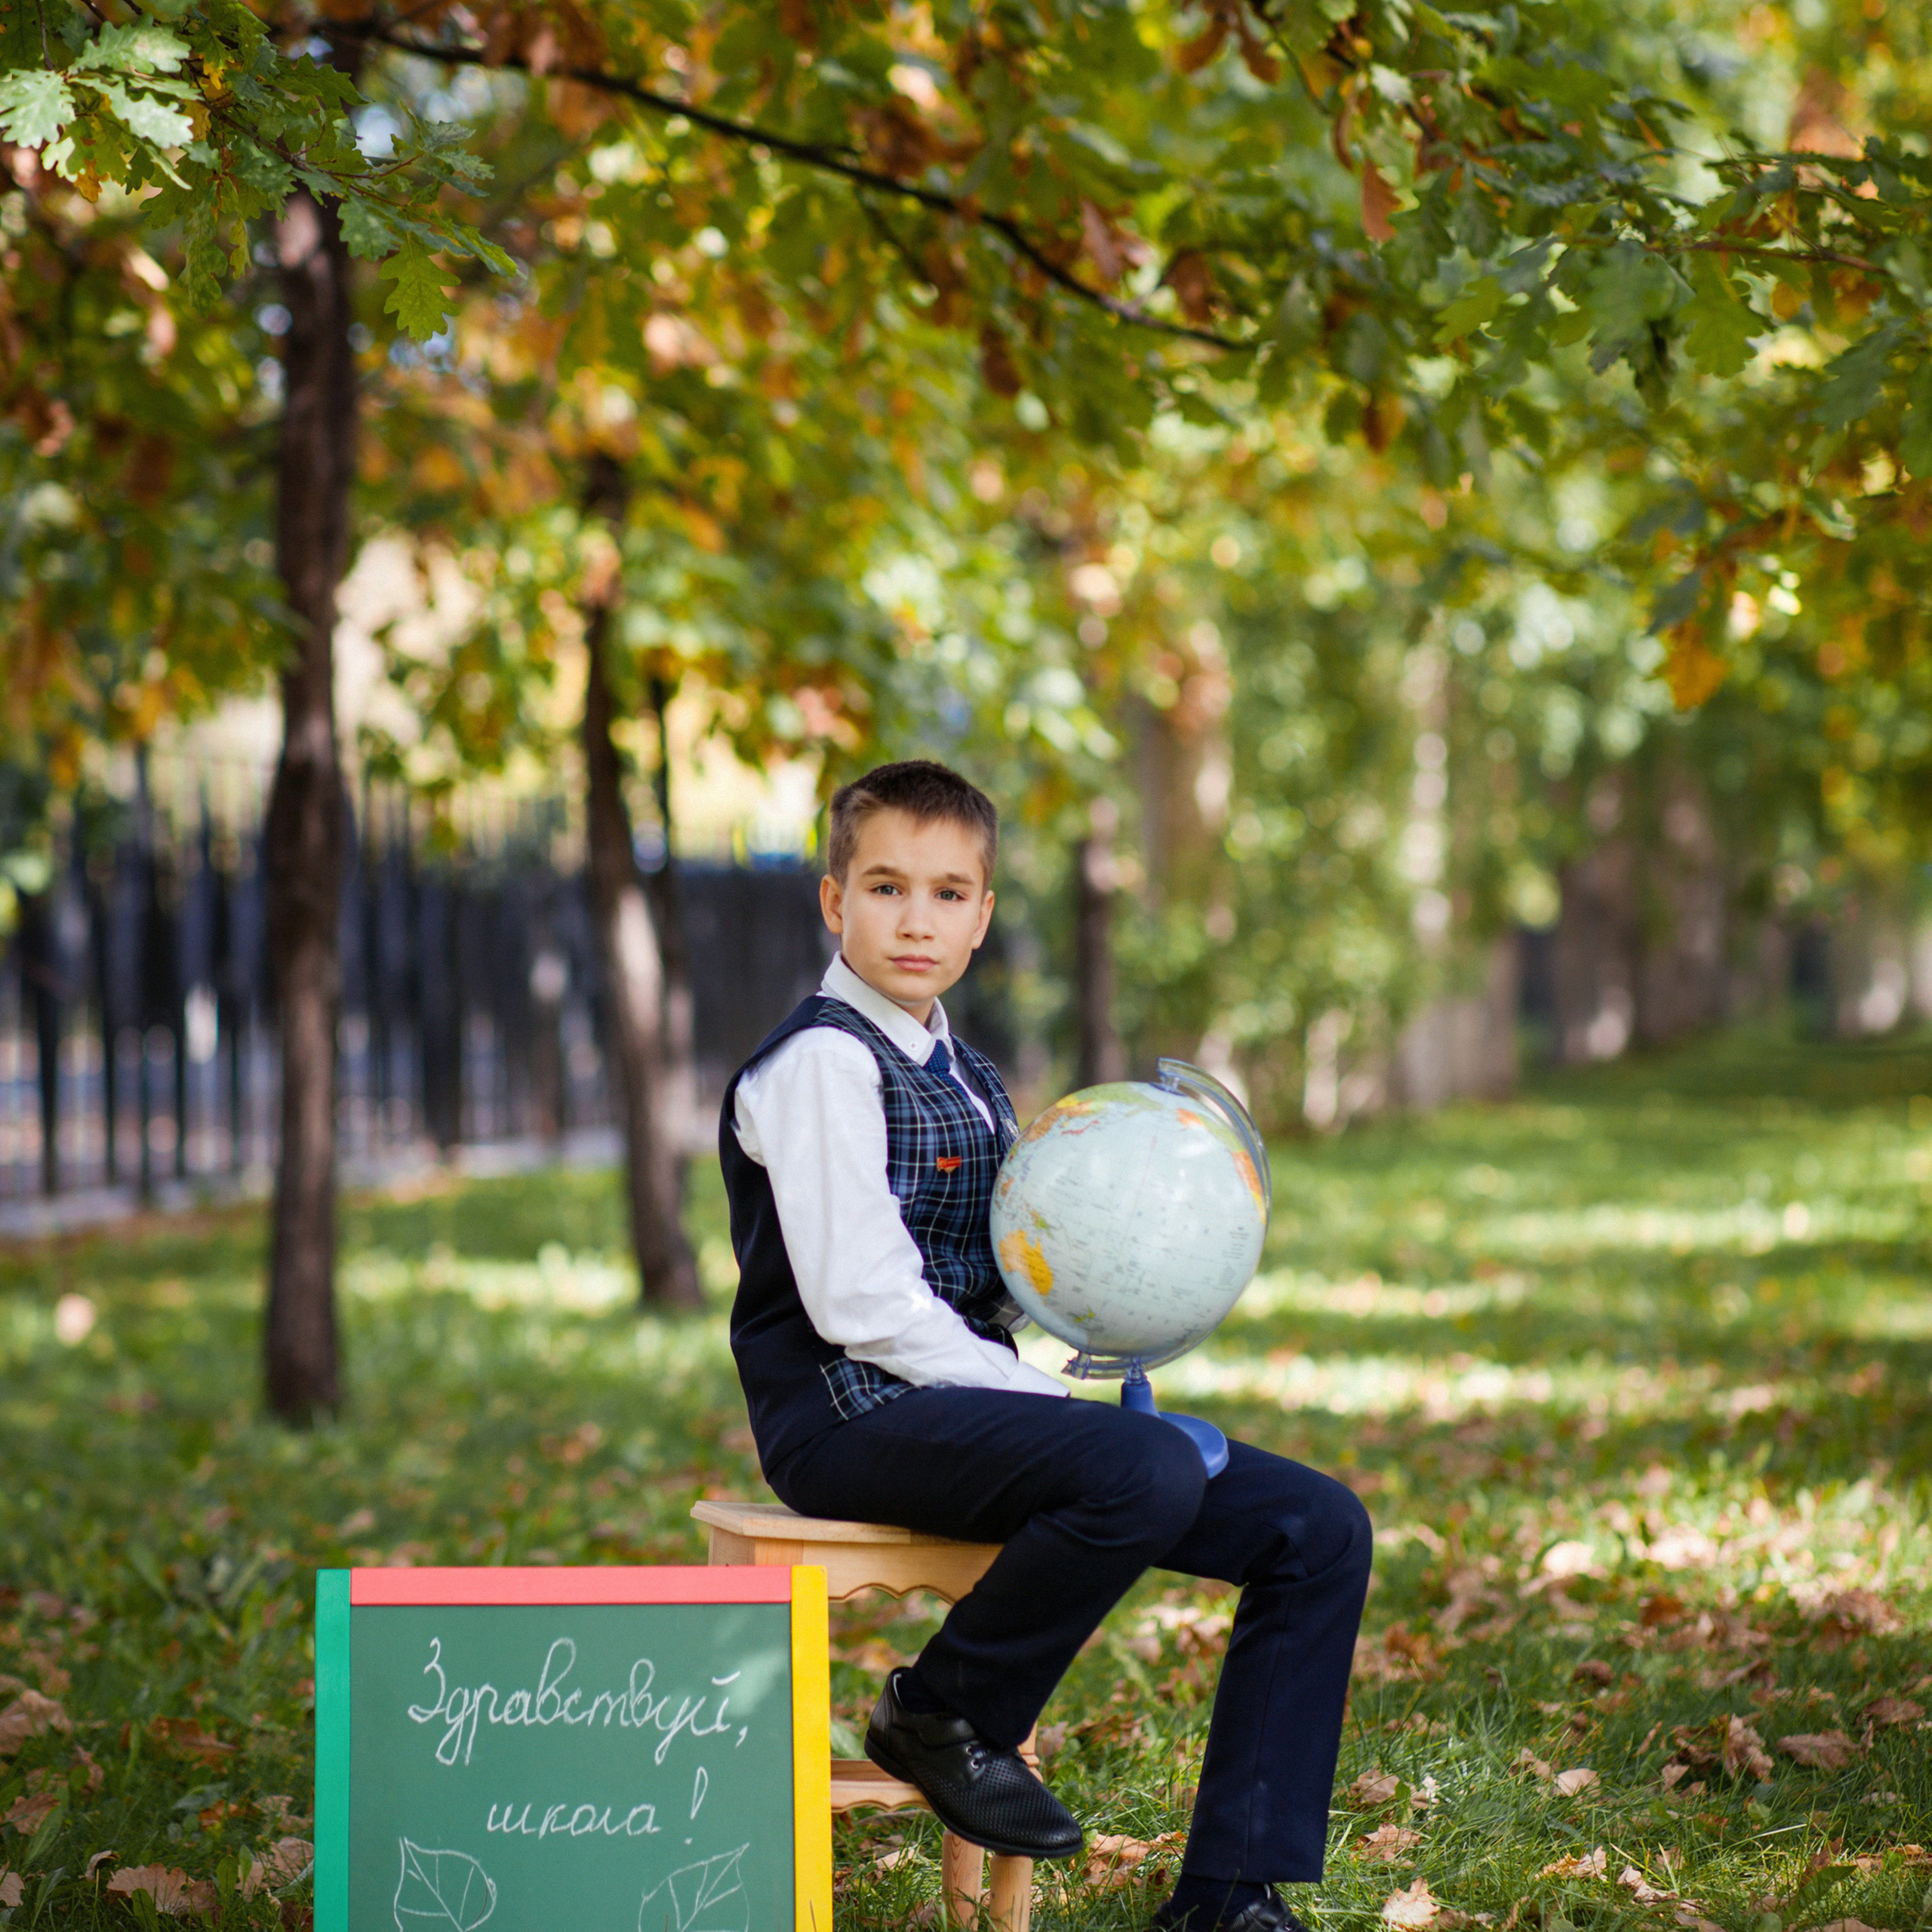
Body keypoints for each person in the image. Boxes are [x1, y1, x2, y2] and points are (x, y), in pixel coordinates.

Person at [719, 759, 1372, 1932]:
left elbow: (997, 1281)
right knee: (1149, 1468)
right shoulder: (820, 1062)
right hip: (847, 1417)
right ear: (832, 902)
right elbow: (864, 1304)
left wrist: (1102, 1332)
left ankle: (1231, 1895)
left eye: (948, 892)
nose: (915, 919)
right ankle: (941, 1712)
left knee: (1317, 1530)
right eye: (884, 887)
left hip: (959, 1408)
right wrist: (1055, 1415)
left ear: (980, 916)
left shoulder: (967, 1075)